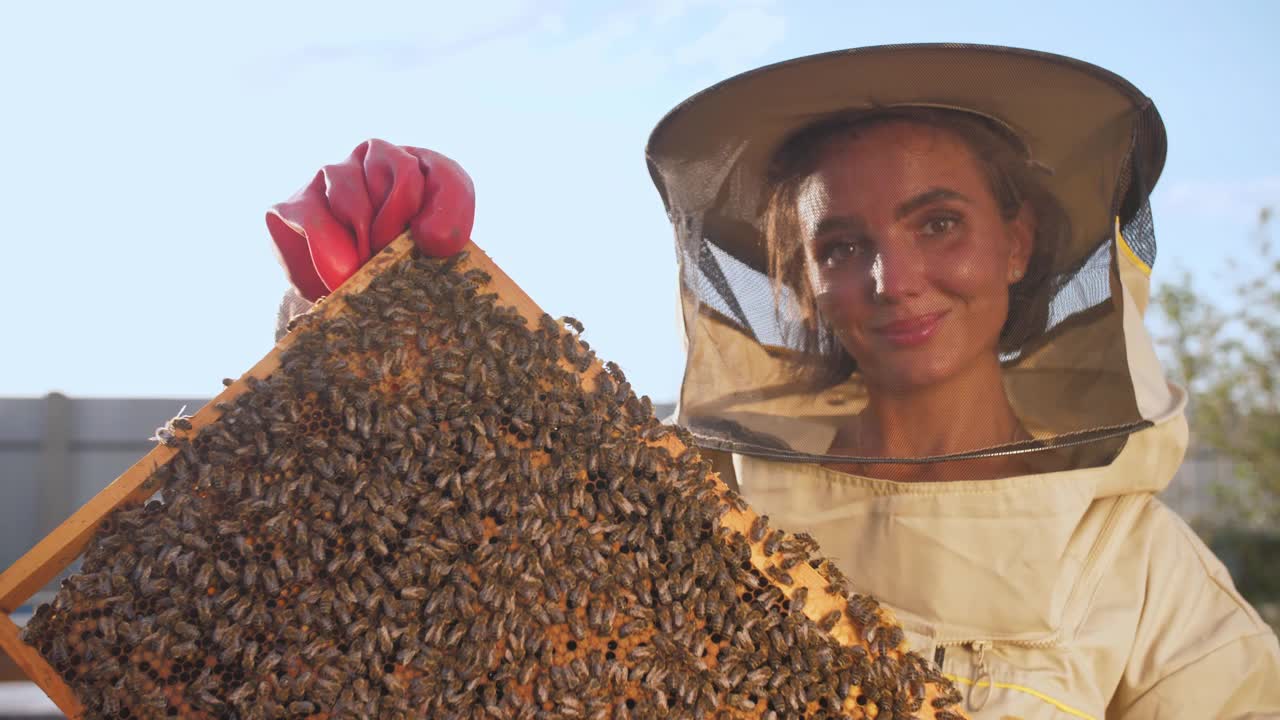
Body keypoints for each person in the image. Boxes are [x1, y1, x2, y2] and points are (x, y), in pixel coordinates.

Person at [268, 44, 1280, 719]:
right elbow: (418, 563)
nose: (893, 281)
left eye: (937, 223)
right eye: (840, 244)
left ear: (1016, 242)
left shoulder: (1143, 574)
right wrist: (354, 311)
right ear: (794, 282)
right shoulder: (685, 507)